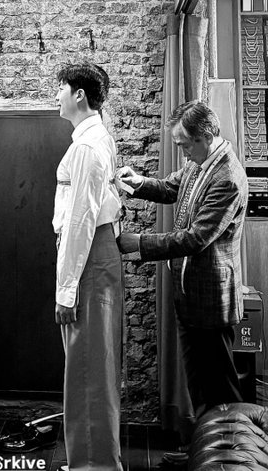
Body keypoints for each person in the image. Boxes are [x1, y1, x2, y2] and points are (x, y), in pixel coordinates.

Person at [117, 100, 248, 460]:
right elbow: (171, 187)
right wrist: (138, 183)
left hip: (211, 298)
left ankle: (232, 459)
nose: (183, 153)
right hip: (191, 294)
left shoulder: (227, 178)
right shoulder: (200, 161)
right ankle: (202, 454)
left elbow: (196, 238)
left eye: (185, 145)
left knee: (220, 390)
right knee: (200, 384)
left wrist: (139, 243)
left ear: (206, 136)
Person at [53, 61, 124, 471]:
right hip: (98, 255)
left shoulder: (85, 147)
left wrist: (66, 291)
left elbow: (79, 222)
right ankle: (95, 461)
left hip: (89, 257)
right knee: (96, 364)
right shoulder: (99, 138)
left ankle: (93, 466)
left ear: (79, 94)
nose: (57, 96)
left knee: (86, 368)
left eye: (61, 88)